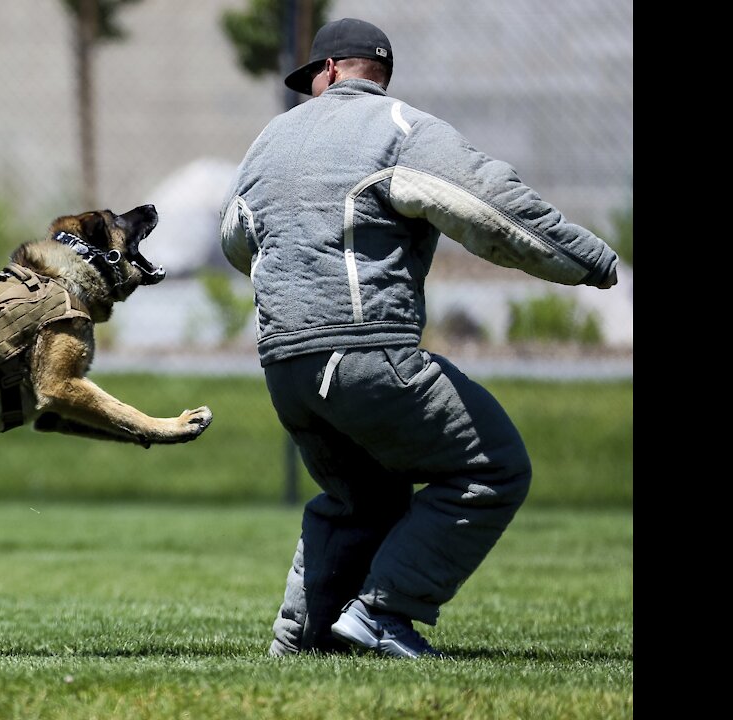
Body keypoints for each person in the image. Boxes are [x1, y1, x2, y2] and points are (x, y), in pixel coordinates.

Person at [219, 17, 619, 659]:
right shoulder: (401, 130)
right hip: (363, 354)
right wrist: (590, 261)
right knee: (491, 467)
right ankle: (383, 613)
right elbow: (492, 207)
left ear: (327, 72)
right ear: (378, 73)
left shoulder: (268, 141)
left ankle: (304, 641)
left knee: (363, 498)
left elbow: (237, 243)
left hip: (285, 368)